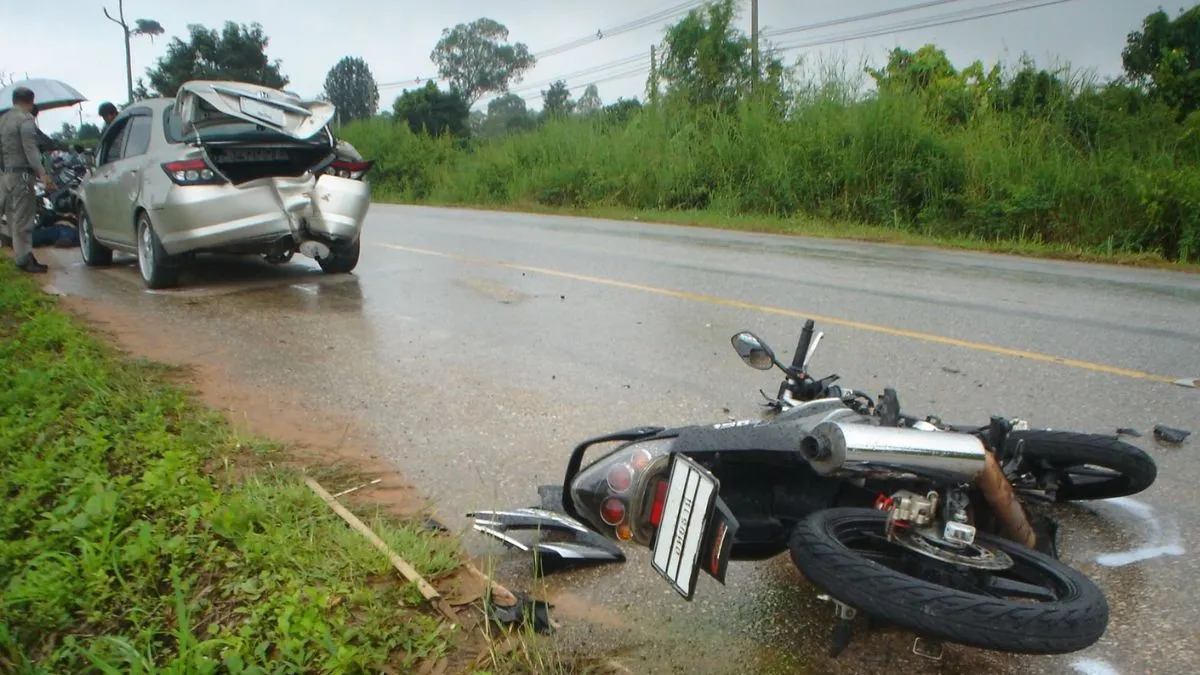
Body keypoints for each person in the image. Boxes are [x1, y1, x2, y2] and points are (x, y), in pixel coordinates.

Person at [0, 86, 57, 273]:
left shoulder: (3, 120)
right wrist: (43, 173)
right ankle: (24, 259)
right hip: (23, 176)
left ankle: (21, 255)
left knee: (13, 218)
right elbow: (30, 150)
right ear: (31, 101)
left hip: (7, 175)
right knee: (24, 220)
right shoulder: (25, 120)